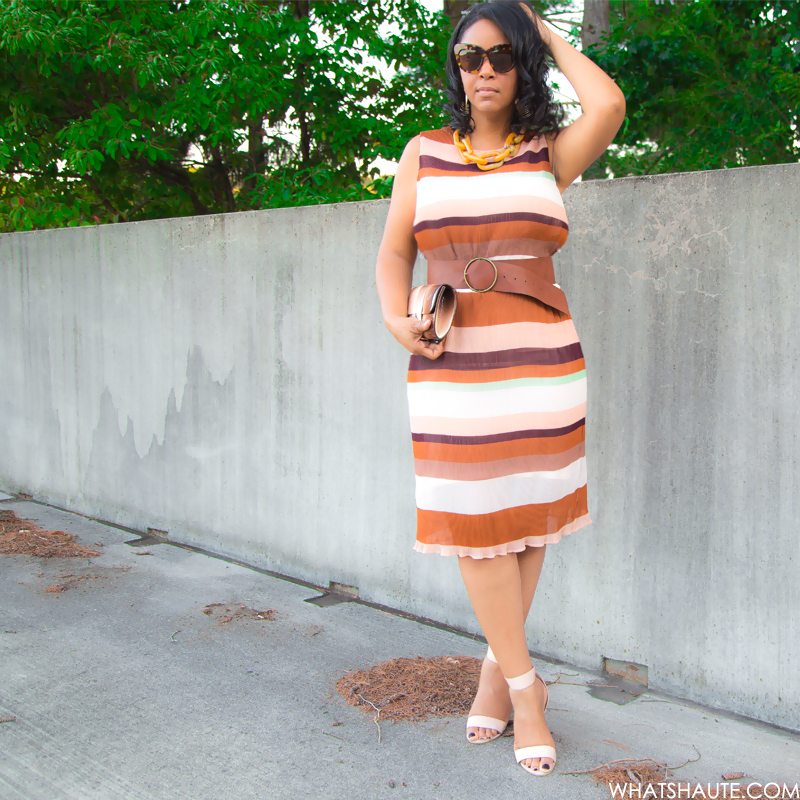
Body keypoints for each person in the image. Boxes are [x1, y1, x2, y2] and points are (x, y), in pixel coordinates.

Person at [375, 0, 625, 778]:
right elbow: (392, 255)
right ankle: (526, 690)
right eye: (468, 56)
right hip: (452, 359)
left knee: (521, 523)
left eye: (501, 55)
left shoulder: (547, 153)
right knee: (474, 524)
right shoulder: (424, 151)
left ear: (523, 65)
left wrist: (544, 28)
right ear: (454, 67)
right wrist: (393, 319)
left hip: (542, 358)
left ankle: (494, 670)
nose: (482, 69)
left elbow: (611, 104)